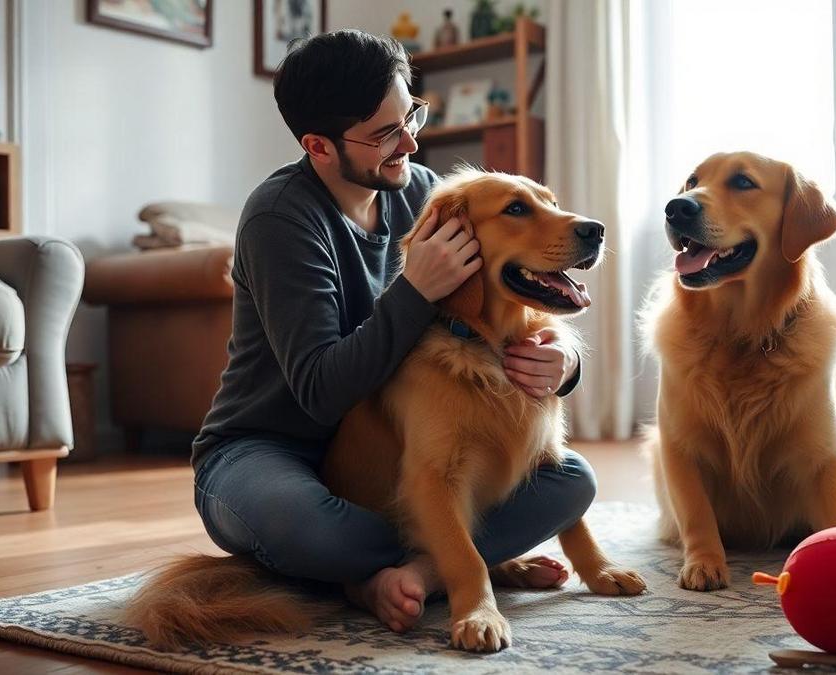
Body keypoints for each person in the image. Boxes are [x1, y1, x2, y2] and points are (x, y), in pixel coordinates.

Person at [190, 29, 594, 633]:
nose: (409, 141)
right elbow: (321, 393)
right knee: (313, 527)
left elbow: (504, 307)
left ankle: (419, 572)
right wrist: (415, 290)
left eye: (410, 115)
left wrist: (565, 357)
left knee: (571, 482)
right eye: (384, 133)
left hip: (393, 448)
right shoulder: (281, 218)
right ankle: (410, 568)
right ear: (318, 147)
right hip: (269, 449)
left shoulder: (424, 195)